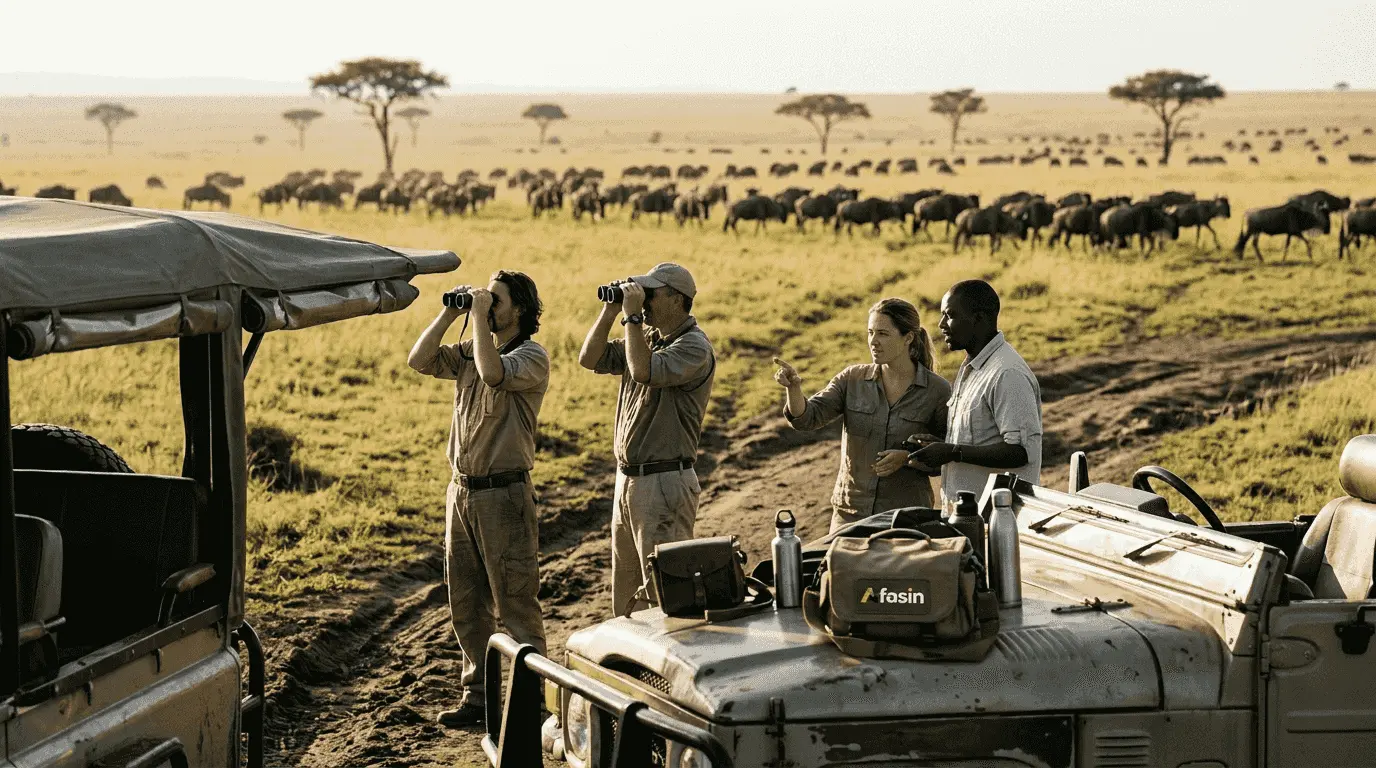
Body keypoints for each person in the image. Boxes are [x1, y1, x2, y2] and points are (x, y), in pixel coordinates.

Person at [407, 271, 549, 728]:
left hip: (504, 495)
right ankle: (478, 697)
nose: (487, 306)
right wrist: (452, 311)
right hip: (462, 491)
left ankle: (531, 701)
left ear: (520, 310)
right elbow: (419, 359)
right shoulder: (472, 347)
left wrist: (479, 321)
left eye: (497, 301)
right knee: (466, 605)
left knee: (516, 605)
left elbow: (492, 373)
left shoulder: (531, 356)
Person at [578, 262, 715, 615]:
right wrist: (612, 310)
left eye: (650, 294)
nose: (644, 301)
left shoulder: (694, 347)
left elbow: (643, 371)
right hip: (629, 481)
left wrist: (632, 319)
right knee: (626, 598)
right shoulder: (648, 339)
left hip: (664, 482)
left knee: (665, 595)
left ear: (676, 299)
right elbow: (588, 358)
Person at [774, 298, 951, 532]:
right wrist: (793, 389)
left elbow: (946, 454)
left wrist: (907, 458)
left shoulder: (937, 391)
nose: (873, 342)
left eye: (883, 334)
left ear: (908, 337)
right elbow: (808, 418)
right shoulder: (851, 379)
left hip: (905, 518)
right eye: (870, 332)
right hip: (849, 515)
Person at [909, 279, 1043, 508]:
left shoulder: (1007, 373)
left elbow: (1020, 452)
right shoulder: (973, 368)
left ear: (979, 318)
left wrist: (952, 451)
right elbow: (979, 440)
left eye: (950, 315)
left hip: (998, 518)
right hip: (967, 516)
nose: (941, 324)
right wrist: (943, 446)